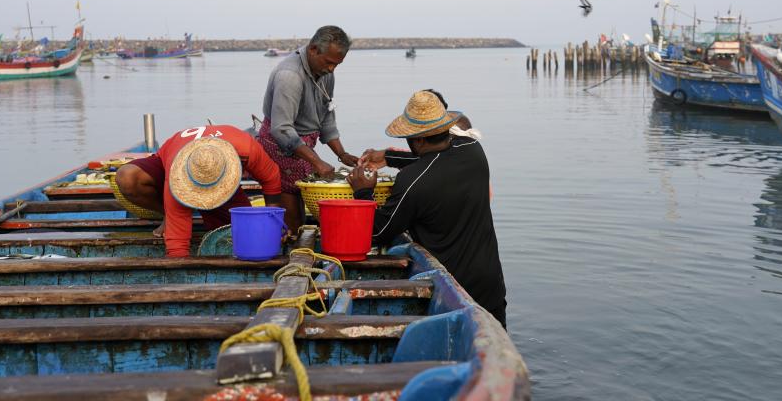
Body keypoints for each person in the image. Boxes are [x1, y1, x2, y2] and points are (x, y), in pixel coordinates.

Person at [347, 90, 507, 327]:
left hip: (451, 290)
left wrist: (362, 192)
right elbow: (435, 160)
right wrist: (388, 157)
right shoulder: (472, 149)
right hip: (489, 283)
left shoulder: (412, 181)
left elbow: (377, 233)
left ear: (418, 139)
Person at [114, 125, 281, 258]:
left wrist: (273, 223)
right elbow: (177, 247)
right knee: (128, 177)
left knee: (245, 233)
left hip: (218, 170)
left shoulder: (247, 148)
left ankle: (192, 213)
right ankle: (168, 214)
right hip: (171, 160)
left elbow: (272, 179)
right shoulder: (176, 173)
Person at [257, 25, 359, 233]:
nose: (332, 69)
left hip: (304, 149)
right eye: (329, 62)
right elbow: (282, 129)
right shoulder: (290, 76)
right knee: (291, 221)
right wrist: (316, 161)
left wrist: (342, 154)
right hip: (278, 149)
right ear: (313, 49)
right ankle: (287, 256)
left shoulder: (326, 74)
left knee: (302, 216)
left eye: (337, 65)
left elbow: (327, 116)